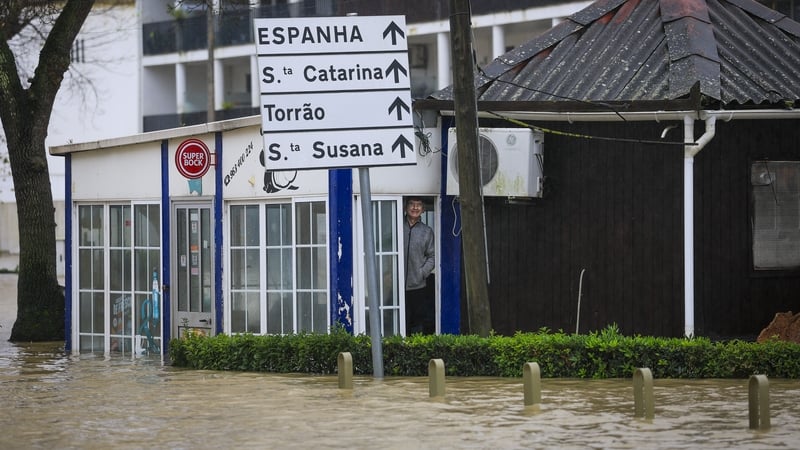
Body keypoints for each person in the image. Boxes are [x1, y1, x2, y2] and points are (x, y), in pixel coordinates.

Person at [403, 196, 435, 334]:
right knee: (399, 321)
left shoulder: (426, 231)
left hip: (417, 286)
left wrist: (421, 273)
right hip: (395, 285)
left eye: (419, 205)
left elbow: (432, 256)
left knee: (417, 322)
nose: (415, 208)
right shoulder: (396, 225)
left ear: (423, 210)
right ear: (406, 207)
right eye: (412, 204)